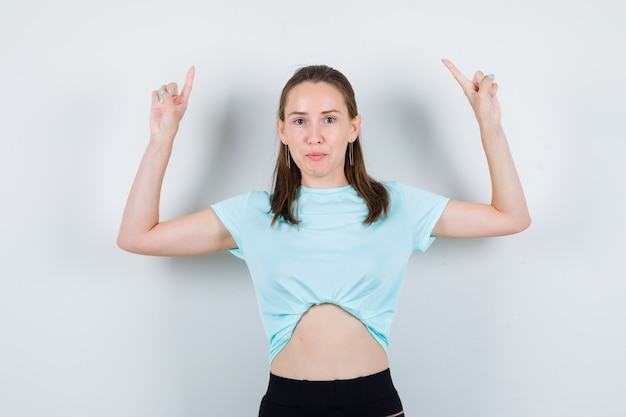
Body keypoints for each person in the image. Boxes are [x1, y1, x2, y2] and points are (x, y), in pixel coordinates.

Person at [117, 59, 530, 417]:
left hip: (372, 400)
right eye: (300, 120)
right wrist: (162, 139)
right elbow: (138, 237)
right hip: (287, 402)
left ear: (354, 127)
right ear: (282, 130)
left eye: (329, 119)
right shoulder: (253, 213)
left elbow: (509, 217)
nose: (314, 135)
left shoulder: (397, 205)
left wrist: (489, 125)